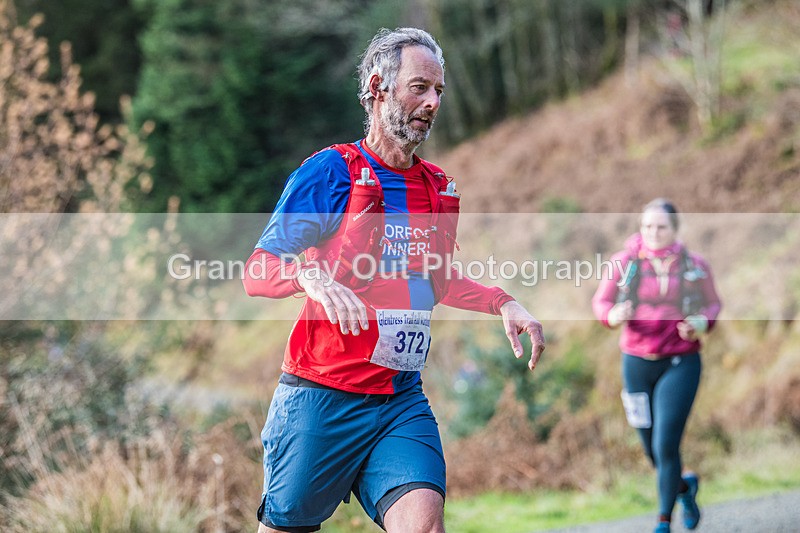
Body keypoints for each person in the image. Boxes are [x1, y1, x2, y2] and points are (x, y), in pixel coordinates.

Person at [243, 27, 545, 533]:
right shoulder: (331, 173)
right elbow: (258, 271)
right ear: (378, 87)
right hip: (322, 398)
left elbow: (437, 281)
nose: (431, 103)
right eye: (419, 87)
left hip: (399, 401)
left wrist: (502, 303)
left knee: (424, 524)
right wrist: (309, 277)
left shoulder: (436, 187)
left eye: (439, 92)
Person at [592, 198, 722, 533]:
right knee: (651, 448)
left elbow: (713, 304)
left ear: (675, 230)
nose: (653, 232)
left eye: (661, 226)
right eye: (647, 226)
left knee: (666, 443)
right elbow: (601, 302)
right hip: (635, 363)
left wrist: (700, 322)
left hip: (680, 361)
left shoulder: (695, 265)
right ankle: (683, 488)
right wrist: (611, 316)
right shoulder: (623, 264)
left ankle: (663, 522)